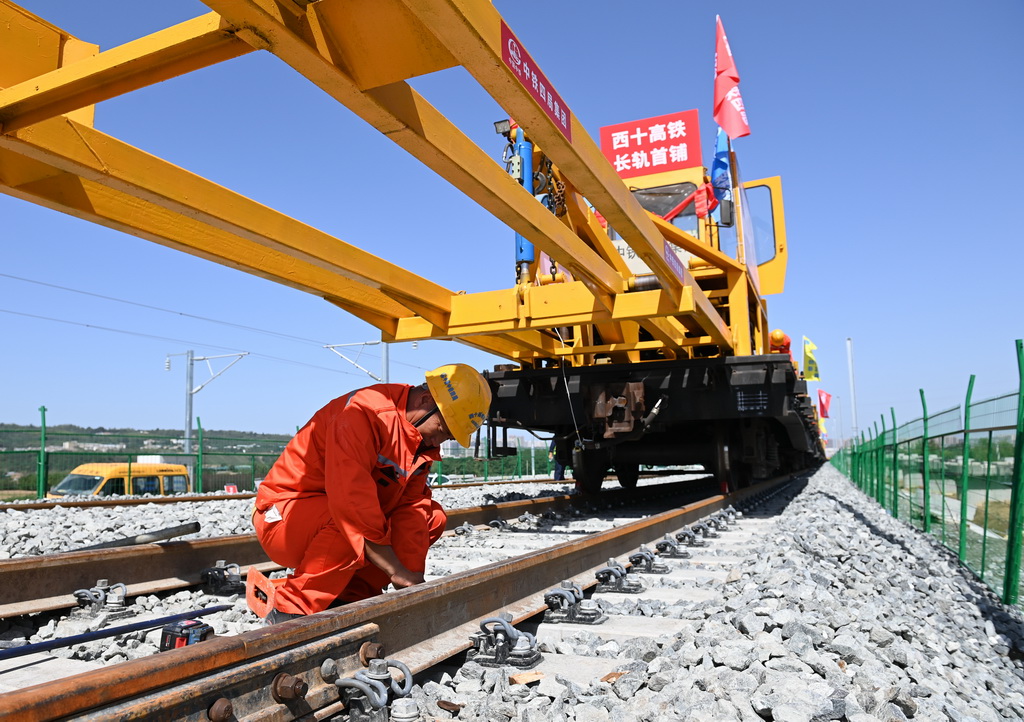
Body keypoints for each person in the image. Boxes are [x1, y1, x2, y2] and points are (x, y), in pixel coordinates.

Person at [251, 363, 492, 623]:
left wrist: (411, 580)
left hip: (334, 517)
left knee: (431, 517)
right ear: (425, 401)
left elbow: (411, 506)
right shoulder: (363, 413)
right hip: (283, 518)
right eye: (443, 431)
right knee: (349, 522)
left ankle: (351, 597)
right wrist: (394, 569)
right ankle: (291, 610)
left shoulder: (418, 439)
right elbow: (350, 502)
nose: (438, 443)